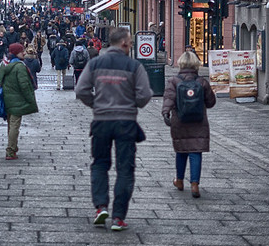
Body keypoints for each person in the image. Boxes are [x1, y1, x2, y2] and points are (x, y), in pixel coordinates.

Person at [75, 27, 152, 231]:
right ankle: (118, 217)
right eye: (131, 44)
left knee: (99, 164)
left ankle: (100, 207)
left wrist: (96, 104)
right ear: (125, 44)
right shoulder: (134, 66)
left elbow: (81, 90)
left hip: (101, 121)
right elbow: (145, 95)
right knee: (125, 169)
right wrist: (131, 104)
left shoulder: (95, 63)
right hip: (126, 122)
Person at [161, 50, 216, 199]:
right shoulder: (202, 82)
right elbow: (211, 102)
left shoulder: (173, 81)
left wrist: (166, 113)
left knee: (181, 149)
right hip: (199, 121)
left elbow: (169, 99)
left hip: (180, 120)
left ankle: (179, 180)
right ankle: (194, 184)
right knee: (195, 151)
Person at [0, 43, 38, 160]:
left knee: (11, 125)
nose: (24, 53)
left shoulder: (4, 65)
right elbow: (24, 85)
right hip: (18, 100)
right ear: (16, 53)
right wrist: (30, 100)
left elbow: (0, 81)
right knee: (15, 125)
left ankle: (13, 147)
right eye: (22, 51)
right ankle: (10, 150)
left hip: (7, 99)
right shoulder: (20, 66)